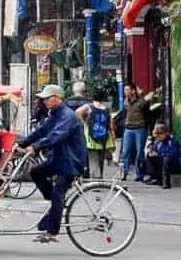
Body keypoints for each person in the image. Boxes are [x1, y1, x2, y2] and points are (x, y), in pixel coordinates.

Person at [19, 84, 87, 244]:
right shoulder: (54, 114)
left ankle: (52, 232)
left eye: (47, 99)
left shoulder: (67, 116)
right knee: (36, 172)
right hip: (57, 159)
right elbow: (41, 131)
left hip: (70, 162)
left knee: (57, 194)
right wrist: (22, 143)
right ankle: (57, 206)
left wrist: (36, 147)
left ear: (57, 98)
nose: (45, 102)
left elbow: (56, 136)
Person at [121, 83, 153, 182]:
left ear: (133, 91)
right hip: (128, 129)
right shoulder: (126, 101)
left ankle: (139, 173)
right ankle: (124, 173)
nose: (125, 92)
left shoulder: (142, 102)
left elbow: (148, 113)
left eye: (127, 90)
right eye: (125, 90)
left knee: (139, 152)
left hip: (140, 128)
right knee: (126, 151)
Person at [79, 92, 115, 179]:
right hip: (103, 138)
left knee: (93, 160)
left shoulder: (89, 106)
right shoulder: (106, 109)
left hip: (91, 138)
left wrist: (83, 122)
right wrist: (113, 138)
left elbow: (77, 112)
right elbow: (110, 126)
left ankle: (96, 179)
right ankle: (100, 178)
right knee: (100, 159)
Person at [143, 124, 181, 188]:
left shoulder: (171, 142)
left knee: (166, 159)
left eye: (161, 134)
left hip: (173, 165)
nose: (159, 136)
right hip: (162, 163)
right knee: (149, 156)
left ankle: (166, 182)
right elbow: (152, 150)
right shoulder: (158, 142)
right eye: (158, 134)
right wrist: (151, 153)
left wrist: (159, 154)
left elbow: (173, 155)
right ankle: (154, 177)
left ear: (166, 133)